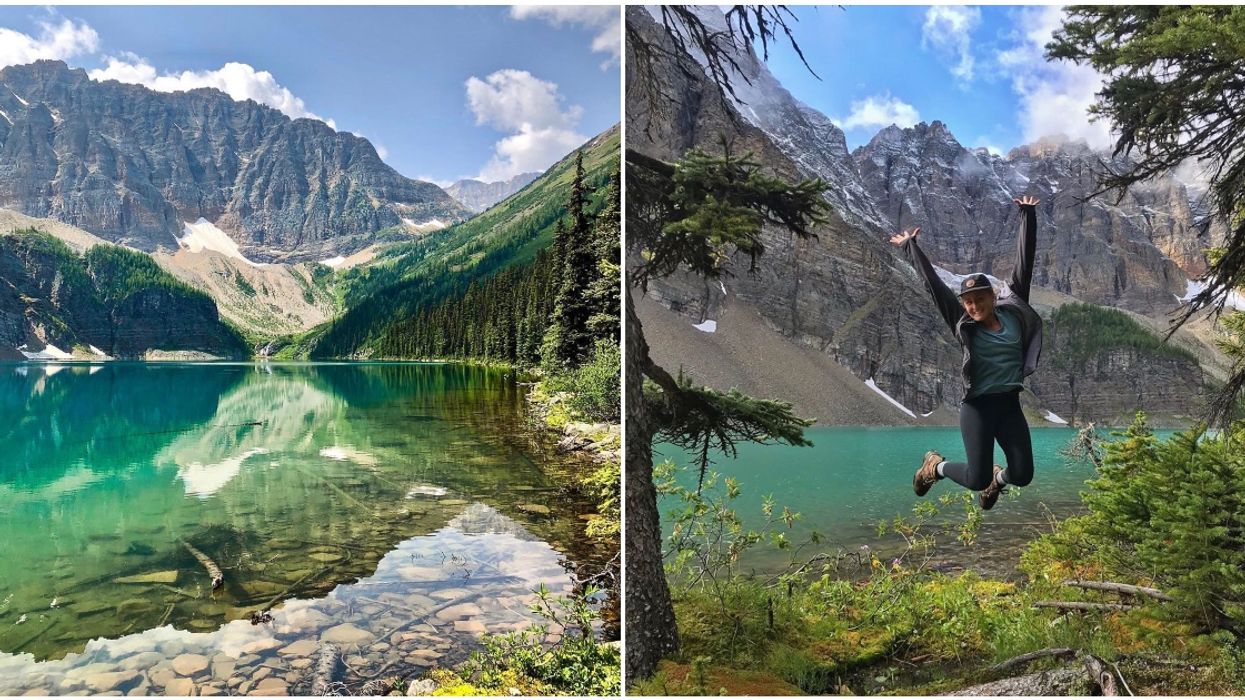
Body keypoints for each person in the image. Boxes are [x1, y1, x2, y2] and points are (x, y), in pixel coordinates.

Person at [889, 196, 1043, 510]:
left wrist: (1027, 215)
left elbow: (1023, 265)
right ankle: (935, 466)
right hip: (978, 409)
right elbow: (933, 285)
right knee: (975, 477)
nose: (973, 306)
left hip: (1009, 405)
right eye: (968, 301)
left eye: (979, 298)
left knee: (1023, 474)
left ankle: (996, 482)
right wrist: (910, 246)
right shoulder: (963, 325)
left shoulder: (1013, 314)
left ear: (992, 295)